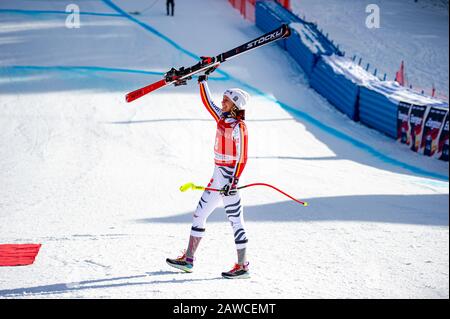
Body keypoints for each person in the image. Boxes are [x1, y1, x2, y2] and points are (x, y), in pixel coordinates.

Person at [166, 61, 251, 279]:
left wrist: (233, 182)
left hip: (228, 181)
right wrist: (203, 78)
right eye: (223, 99)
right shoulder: (222, 118)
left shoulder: (238, 127)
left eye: (226, 100)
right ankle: (188, 260)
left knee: (236, 222)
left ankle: (242, 266)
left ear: (235, 105)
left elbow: (242, 158)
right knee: (199, 214)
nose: (221, 102)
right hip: (216, 178)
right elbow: (208, 102)